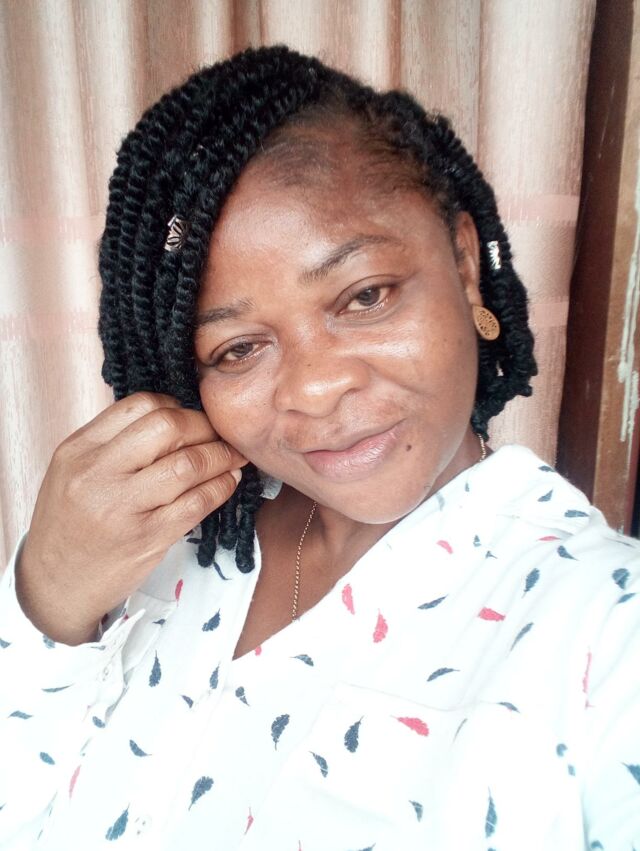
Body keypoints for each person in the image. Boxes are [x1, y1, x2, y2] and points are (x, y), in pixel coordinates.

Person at [0, 44, 638, 851]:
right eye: (238, 349)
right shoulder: (158, 551)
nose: (315, 387)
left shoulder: (607, 633)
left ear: (465, 265)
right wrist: (47, 599)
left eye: (365, 296)